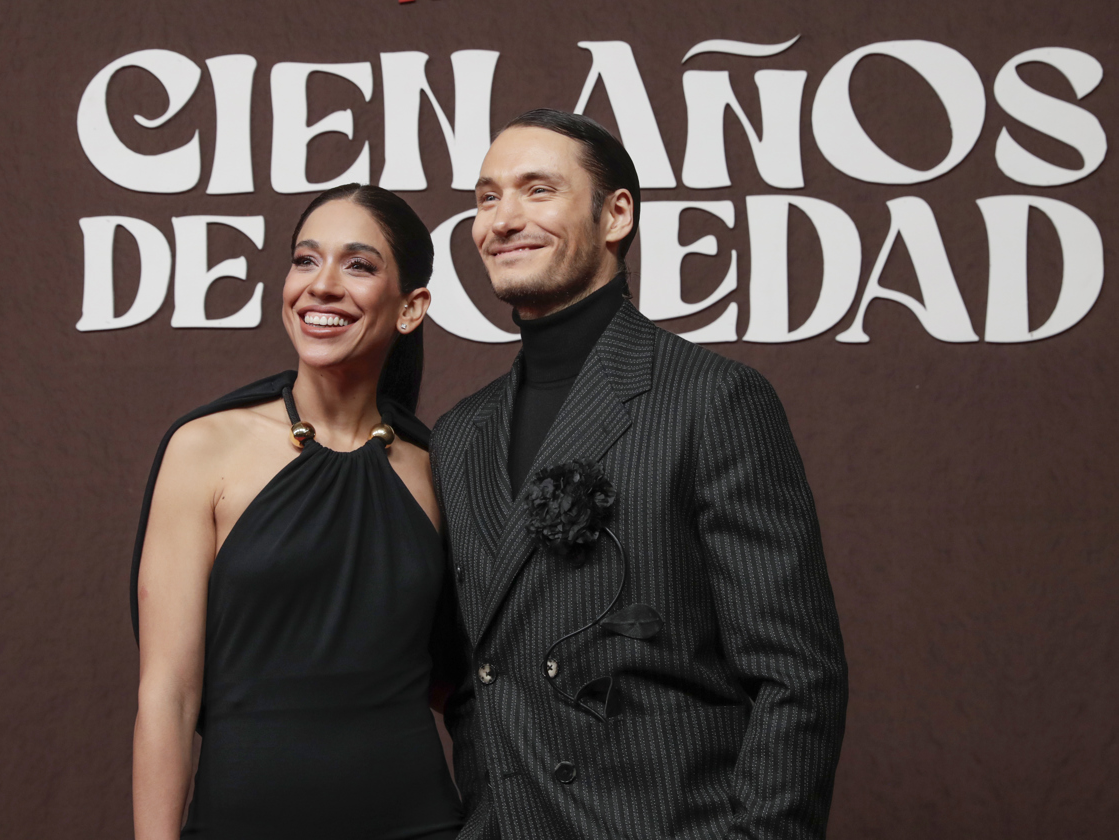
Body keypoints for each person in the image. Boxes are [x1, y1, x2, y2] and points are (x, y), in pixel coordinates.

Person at [430, 109, 849, 839]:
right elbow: (475, 680)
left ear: (616, 213)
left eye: (537, 190)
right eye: (487, 197)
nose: (502, 219)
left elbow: (797, 677)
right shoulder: (462, 433)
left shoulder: (713, 398)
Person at [129, 184, 463, 840]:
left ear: (411, 307)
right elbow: (166, 695)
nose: (323, 285)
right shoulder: (202, 449)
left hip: (420, 824)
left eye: (359, 265)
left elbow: (458, 684)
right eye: (306, 260)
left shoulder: (436, 468)